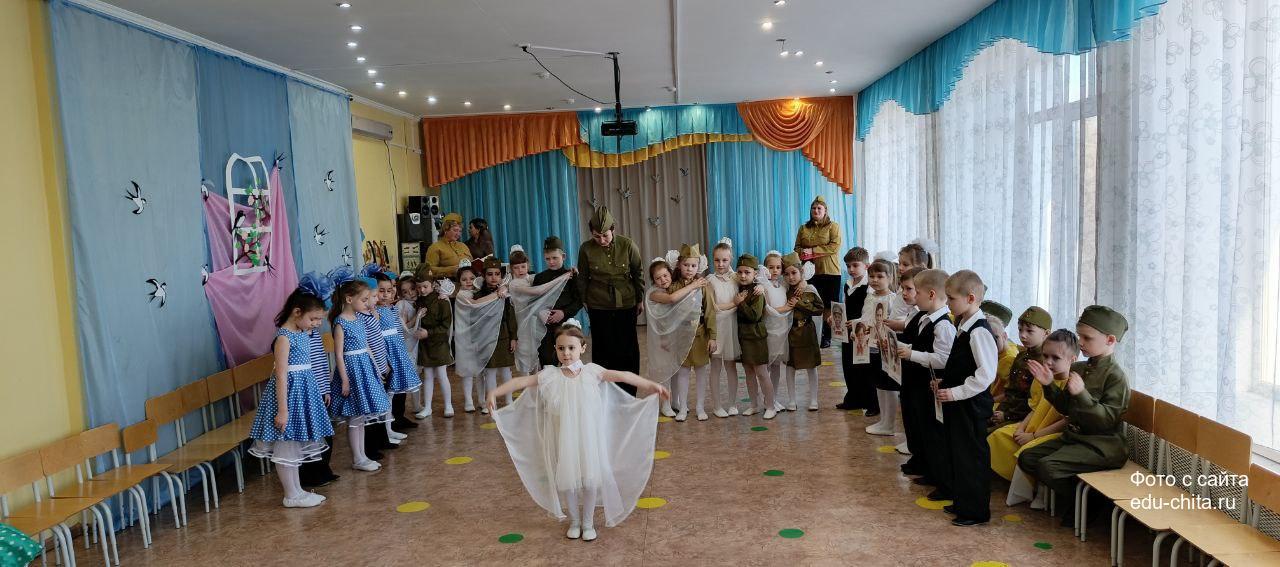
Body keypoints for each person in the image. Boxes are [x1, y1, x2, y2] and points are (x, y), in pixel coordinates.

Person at [488, 321, 670, 542]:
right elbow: (522, 381)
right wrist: (494, 392)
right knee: (568, 479)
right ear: (555, 349)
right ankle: (574, 521)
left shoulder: (592, 372)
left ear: (582, 348)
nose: (566, 353)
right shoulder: (550, 375)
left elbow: (623, 375)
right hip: (563, 439)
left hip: (588, 438)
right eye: (561, 348)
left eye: (571, 348)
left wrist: (651, 385)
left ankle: (588, 522)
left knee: (590, 479)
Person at [1016, 305, 1131, 528]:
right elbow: (1066, 408)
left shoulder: (1116, 376)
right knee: (1027, 458)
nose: (1081, 342)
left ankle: (1090, 503)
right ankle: (1083, 499)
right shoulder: (1079, 367)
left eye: (1087, 338)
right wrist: (1049, 385)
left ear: (1110, 340)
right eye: (1080, 336)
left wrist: (1082, 394)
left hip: (1103, 445)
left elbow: (1107, 420)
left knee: (1048, 467)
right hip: (1075, 438)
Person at [248, 288, 335, 508]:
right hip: (289, 396)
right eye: (313, 319)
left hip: (303, 392)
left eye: (319, 319)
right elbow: (281, 375)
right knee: (286, 445)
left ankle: (297, 490)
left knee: (294, 444)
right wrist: (283, 410)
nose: (317, 324)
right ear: (297, 312)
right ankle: (290, 494)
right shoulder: (284, 338)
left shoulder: (302, 333)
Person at [933, 270, 998, 526]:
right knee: (958, 454)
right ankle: (962, 502)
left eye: (951, 298)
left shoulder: (979, 331)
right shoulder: (964, 324)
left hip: (970, 405)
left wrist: (955, 392)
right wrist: (945, 382)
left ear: (970, 298)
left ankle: (975, 511)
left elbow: (985, 374)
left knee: (971, 457)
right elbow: (963, 365)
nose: (947, 303)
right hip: (958, 403)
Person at [995, 329, 1076, 508]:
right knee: (999, 435)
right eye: (1045, 356)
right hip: (1032, 425)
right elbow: (1034, 408)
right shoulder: (1041, 379)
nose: (1048, 362)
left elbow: (1066, 420)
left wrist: (1033, 436)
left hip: (1051, 432)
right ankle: (1008, 481)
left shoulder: (1073, 384)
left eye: (1056, 358)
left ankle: (1038, 490)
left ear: (1072, 360)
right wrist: (1021, 428)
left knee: (1029, 449)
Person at [893, 269, 954, 494]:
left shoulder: (943, 325)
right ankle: (925, 466)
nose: (913, 296)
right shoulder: (925, 317)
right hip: (915, 382)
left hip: (929, 385)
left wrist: (912, 355)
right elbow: (920, 346)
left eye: (916, 292)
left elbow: (943, 359)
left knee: (933, 432)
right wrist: (902, 348)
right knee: (919, 427)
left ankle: (940, 478)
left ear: (931, 294)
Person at [327, 279, 392, 472]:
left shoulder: (358, 319)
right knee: (355, 417)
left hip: (364, 368)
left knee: (361, 417)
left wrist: (376, 368)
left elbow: (367, 346)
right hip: (352, 371)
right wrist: (345, 380)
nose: (367, 303)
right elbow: (339, 354)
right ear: (349, 299)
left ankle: (362, 456)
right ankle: (357, 458)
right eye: (363, 300)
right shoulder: (340, 322)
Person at [577, 207, 645, 393]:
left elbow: (638, 273)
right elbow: (582, 277)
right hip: (598, 305)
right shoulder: (586, 248)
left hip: (626, 303)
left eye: (605, 235)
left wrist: (640, 299)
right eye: (596, 236)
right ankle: (605, 393)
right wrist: (585, 300)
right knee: (602, 349)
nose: (601, 240)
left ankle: (629, 392)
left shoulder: (628, 245)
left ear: (613, 229)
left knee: (627, 349)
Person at [644, 256, 706, 420]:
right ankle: (665, 404)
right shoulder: (654, 293)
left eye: (665, 275)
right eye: (658, 278)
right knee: (665, 370)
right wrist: (694, 285)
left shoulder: (674, 288)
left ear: (671, 274)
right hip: (661, 338)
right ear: (653, 281)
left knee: (676, 368)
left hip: (675, 336)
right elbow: (672, 299)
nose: (663, 280)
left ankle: (675, 401)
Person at [860, 259, 911, 435]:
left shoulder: (893, 298)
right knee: (879, 384)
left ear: (890, 278)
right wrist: (857, 327)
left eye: (880, 276)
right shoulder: (869, 296)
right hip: (871, 346)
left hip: (886, 347)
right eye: (871, 276)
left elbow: (896, 323)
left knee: (889, 386)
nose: (874, 280)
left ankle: (889, 424)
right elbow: (866, 318)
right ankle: (883, 421)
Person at [507, 244, 575, 375]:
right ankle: (526, 386)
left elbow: (544, 278)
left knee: (536, 357)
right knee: (525, 357)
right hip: (523, 325)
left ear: (528, 265)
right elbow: (539, 291)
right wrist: (562, 277)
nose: (520, 270)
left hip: (534, 323)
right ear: (511, 268)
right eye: (516, 267)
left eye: (523, 266)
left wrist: (571, 271)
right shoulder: (514, 284)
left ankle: (537, 386)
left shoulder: (530, 278)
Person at [668, 244, 716, 421]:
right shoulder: (673, 287)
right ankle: (682, 407)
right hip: (681, 335)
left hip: (700, 334)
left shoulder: (704, 286)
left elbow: (710, 312)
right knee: (683, 372)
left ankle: (700, 407)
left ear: (699, 266)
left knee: (701, 372)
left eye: (693, 265)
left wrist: (713, 337)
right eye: (686, 265)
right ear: (679, 265)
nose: (689, 269)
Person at [372, 272, 422, 433]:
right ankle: (389, 424)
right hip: (385, 353)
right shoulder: (374, 312)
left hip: (398, 352)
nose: (386, 294)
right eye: (381, 291)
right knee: (389, 390)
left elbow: (399, 331)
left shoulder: (392, 308)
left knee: (400, 387)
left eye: (390, 290)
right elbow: (375, 337)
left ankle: (398, 417)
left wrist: (402, 352)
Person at [989, 305, 1051, 432]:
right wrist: (1001, 411)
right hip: (1007, 410)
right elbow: (1011, 392)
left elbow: (1033, 401)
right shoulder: (1021, 356)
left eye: (1029, 331)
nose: (1022, 335)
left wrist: (1007, 415)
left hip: (1022, 418)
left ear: (1046, 333)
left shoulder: (1045, 362)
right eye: (1020, 330)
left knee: (987, 435)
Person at [774, 253, 823, 411]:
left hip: (807, 333)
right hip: (790, 333)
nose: (791, 277)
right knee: (790, 367)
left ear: (801, 272)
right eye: (786, 274)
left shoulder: (809, 289)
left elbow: (819, 309)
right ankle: (792, 400)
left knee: (811, 367)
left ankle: (814, 400)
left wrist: (800, 303)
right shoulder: (784, 290)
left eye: (794, 273)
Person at [794, 196, 842, 347]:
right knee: (810, 303)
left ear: (825, 211)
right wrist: (803, 253)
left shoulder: (833, 226)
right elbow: (796, 248)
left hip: (830, 271)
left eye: (819, 208)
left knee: (828, 305)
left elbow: (834, 246)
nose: (816, 211)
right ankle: (811, 333)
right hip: (809, 272)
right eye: (813, 208)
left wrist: (812, 251)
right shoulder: (803, 228)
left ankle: (826, 336)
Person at [733, 254, 777, 420]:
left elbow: (754, 315)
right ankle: (754, 405)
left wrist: (741, 303)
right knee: (748, 372)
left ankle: (770, 405)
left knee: (762, 373)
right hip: (743, 338)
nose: (743, 275)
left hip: (756, 337)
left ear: (755, 273)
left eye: (747, 272)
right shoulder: (738, 288)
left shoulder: (758, 291)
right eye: (740, 272)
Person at [474, 256, 518, 412]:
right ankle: (491, 403)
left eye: (497, 274)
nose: (494, 277)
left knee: (505, 370)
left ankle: (509, 400)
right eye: (490, 274)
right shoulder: (478, 296)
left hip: (503, 336)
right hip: (486, 337)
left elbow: (511, 317)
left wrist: (513, 337)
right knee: (490, 371)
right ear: (483, 276)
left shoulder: (506, 295)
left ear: (501, 275)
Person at [706, 238, 743, 416]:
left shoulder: (736, 278)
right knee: (715, 367)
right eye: (717, 260)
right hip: (717, 327)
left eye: (725, 260)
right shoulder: (710, 280)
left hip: (732, 327)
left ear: (731, 259)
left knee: (731, 367)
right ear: (712, 260)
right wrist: (734, 303)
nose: (720, 264)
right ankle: (717, 405)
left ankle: (733, 404)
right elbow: (713, 307)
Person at [534, 236, 583, 367]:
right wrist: (540, 312)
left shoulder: (571, 276)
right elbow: (533, 302)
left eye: (555, 258)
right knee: (547, 362)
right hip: (545, 328)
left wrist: (563, 312)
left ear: (563, 256)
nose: (551, 262)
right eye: (547, 259)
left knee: (569, 362)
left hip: (565, 325)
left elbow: (579, 301)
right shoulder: (539, 278)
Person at [836, 247, 872, 411]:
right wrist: (836, 316)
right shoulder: (847, 284)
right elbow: (845, 304)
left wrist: (858, 323)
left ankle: (867, 400)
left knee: (862, 366)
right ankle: (852, 398)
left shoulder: (869, 286)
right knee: (848, 364)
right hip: (847, 331)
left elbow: (869, 311)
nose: (851, 269)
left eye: (855, 265)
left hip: (861, 331)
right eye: (848, 266)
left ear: (866, 266)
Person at [414, 278, 455, 419]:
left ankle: (448, 405)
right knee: (428, 375)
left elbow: (446, 326)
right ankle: (427, 407)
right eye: (419, 287)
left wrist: (429, 333)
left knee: (442, 374)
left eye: (425, 286)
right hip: (425, 344)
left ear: (432, 285)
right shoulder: (419, 301)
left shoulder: (442, 301)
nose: (422, 290)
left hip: (439, 343)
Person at [759, 251, 793, 412]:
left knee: (776, 366)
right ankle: (767, 399)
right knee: (766, 366)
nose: (775, 270)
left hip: (782, 330)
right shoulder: (764, 286)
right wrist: (786, 308)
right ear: (765, 268)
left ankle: (774, 397)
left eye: (778, 267)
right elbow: (767, 309)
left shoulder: (784, 286)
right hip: (769, 330)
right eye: (771, 267)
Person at [419, 214, 472, 280]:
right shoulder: (435, 247)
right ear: (445, 230)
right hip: (447, 283)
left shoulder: (463, 246)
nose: (458, 234)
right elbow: (429, 270)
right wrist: (451, 270)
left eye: (460, 231)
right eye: (455, 230)